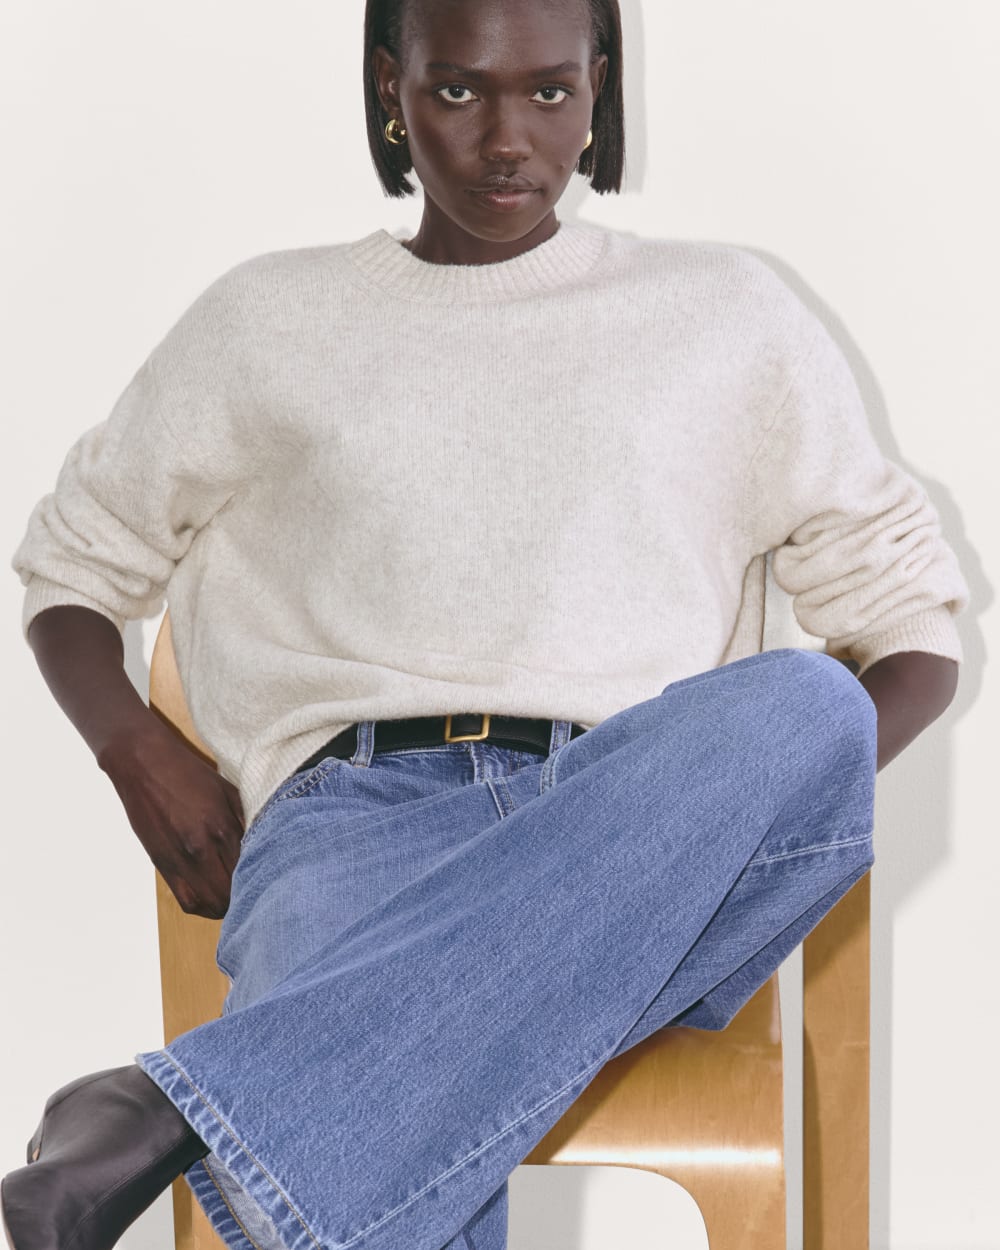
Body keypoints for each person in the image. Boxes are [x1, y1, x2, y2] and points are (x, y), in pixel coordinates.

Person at [1, 0, 970, 1247]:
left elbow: (910, 623)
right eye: (458, 91)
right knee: (386, 1127)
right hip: (352, 821)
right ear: (391, 88)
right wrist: (135, 748)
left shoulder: (728, 313)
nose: (507, 139)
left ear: (597, 87)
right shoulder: (264, 318)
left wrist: (730, 813)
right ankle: (253, 1112)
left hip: (626, 831)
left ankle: (164, 1110)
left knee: (806, 705)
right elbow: (72, 566)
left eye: (549, 93)